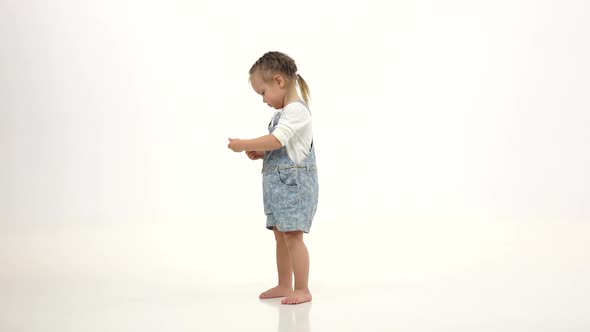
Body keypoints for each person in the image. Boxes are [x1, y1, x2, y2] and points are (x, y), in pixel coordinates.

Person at [228, 51, 318, 305]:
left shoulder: (297, 111)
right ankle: (283, 283)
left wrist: (244, 144)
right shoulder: (285, 113)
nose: (263, 100)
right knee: (280, 235)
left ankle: (302, 288)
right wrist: (262, 152)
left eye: (262, 92)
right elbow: (284, 145)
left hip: (294, 188)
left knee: (293, 236)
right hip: (280, 188)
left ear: (279, 81)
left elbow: (279, 138)